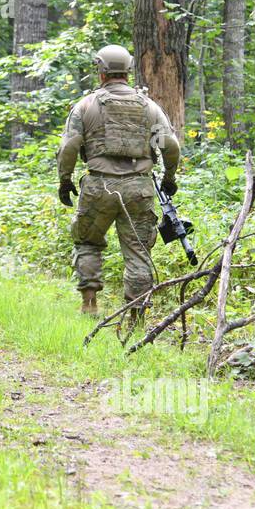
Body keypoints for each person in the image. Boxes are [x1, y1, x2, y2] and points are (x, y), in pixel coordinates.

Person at [57, 44, 180, 318]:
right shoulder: (149, 107)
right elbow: (169, 145)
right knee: (138, 251)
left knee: (87, 242)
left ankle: (89, 304)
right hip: (139, 188)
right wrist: (170, 177)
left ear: (101, 71)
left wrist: (64, 181)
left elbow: (69, 148)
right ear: (128, 71)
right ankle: (136, 317)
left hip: (99, 186)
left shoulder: (85, 106)